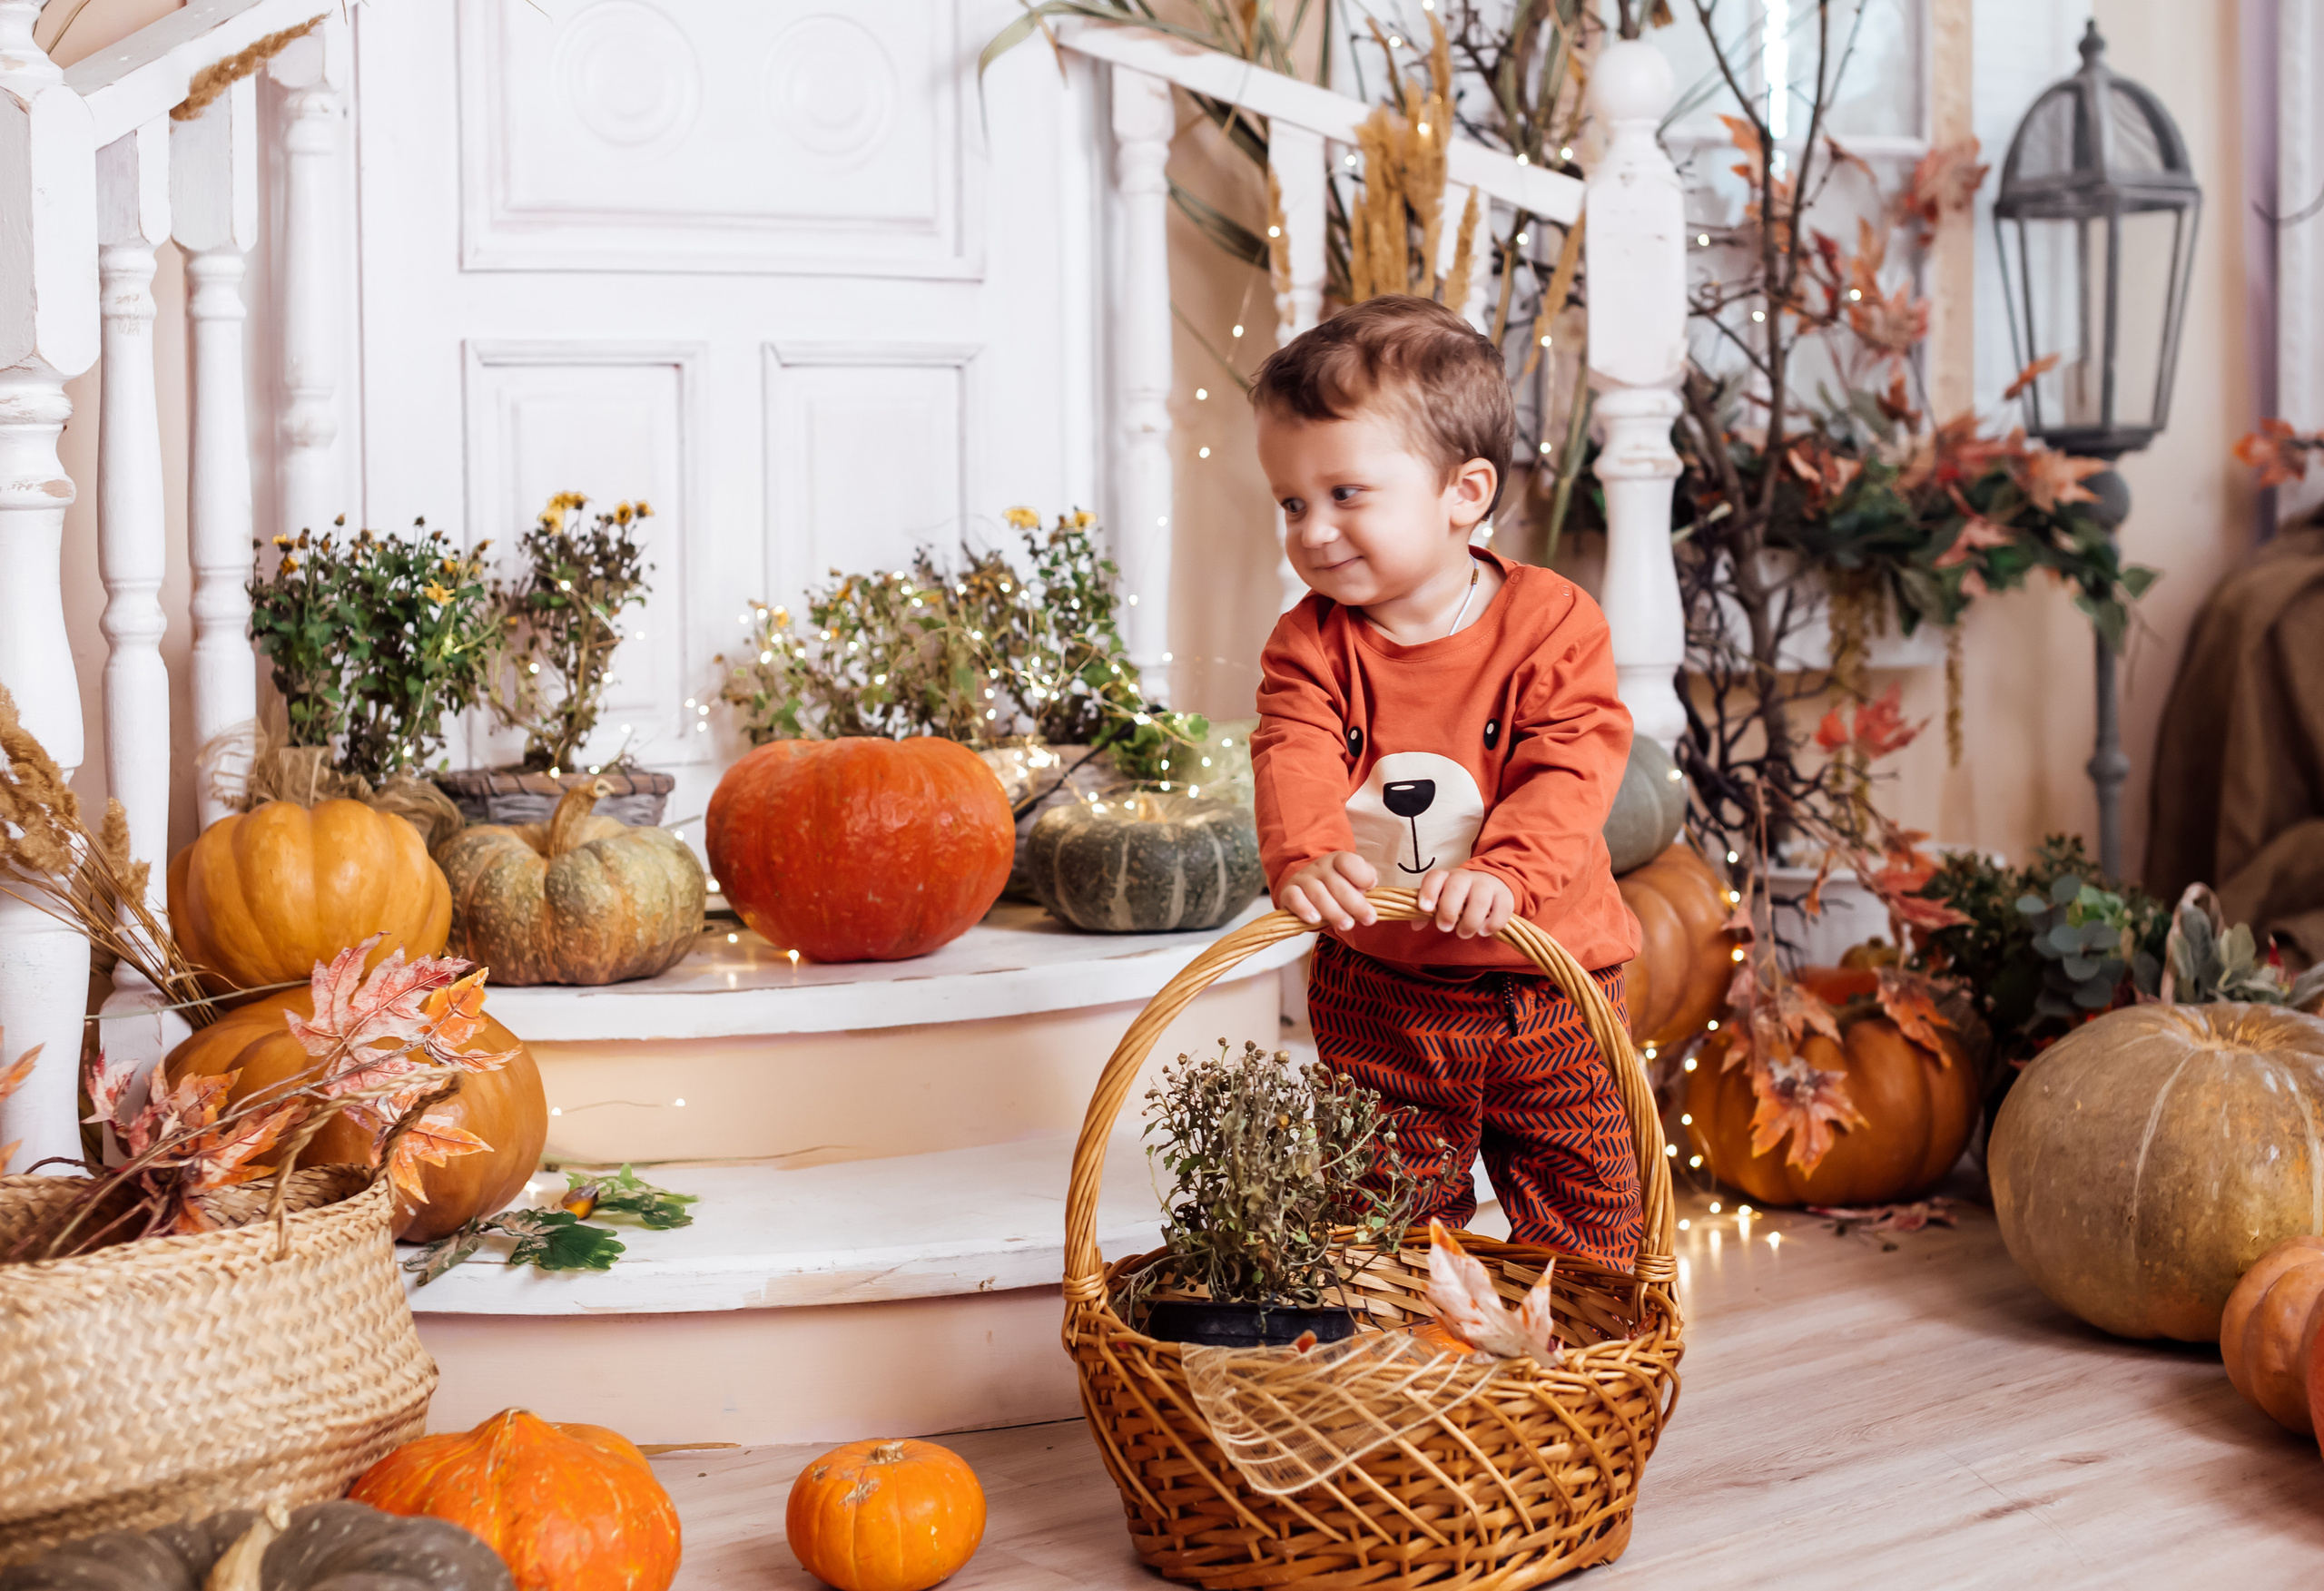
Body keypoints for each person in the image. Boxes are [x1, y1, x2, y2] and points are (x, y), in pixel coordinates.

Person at [1247, 294, 1643, 1268]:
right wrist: (1307, 854)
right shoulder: (1310, 642)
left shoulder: (1553, 623)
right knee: (1379, 1222)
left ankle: (1577, 1371)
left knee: (1589, 1210)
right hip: (1383, 991)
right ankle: (1404, 1377)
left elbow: (1569, 762)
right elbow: (1291, 746)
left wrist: (1505, 868)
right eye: (1292, 503)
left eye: (1345, 494)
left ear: (1462, 492)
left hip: (1546, 982)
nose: (1312, 530)